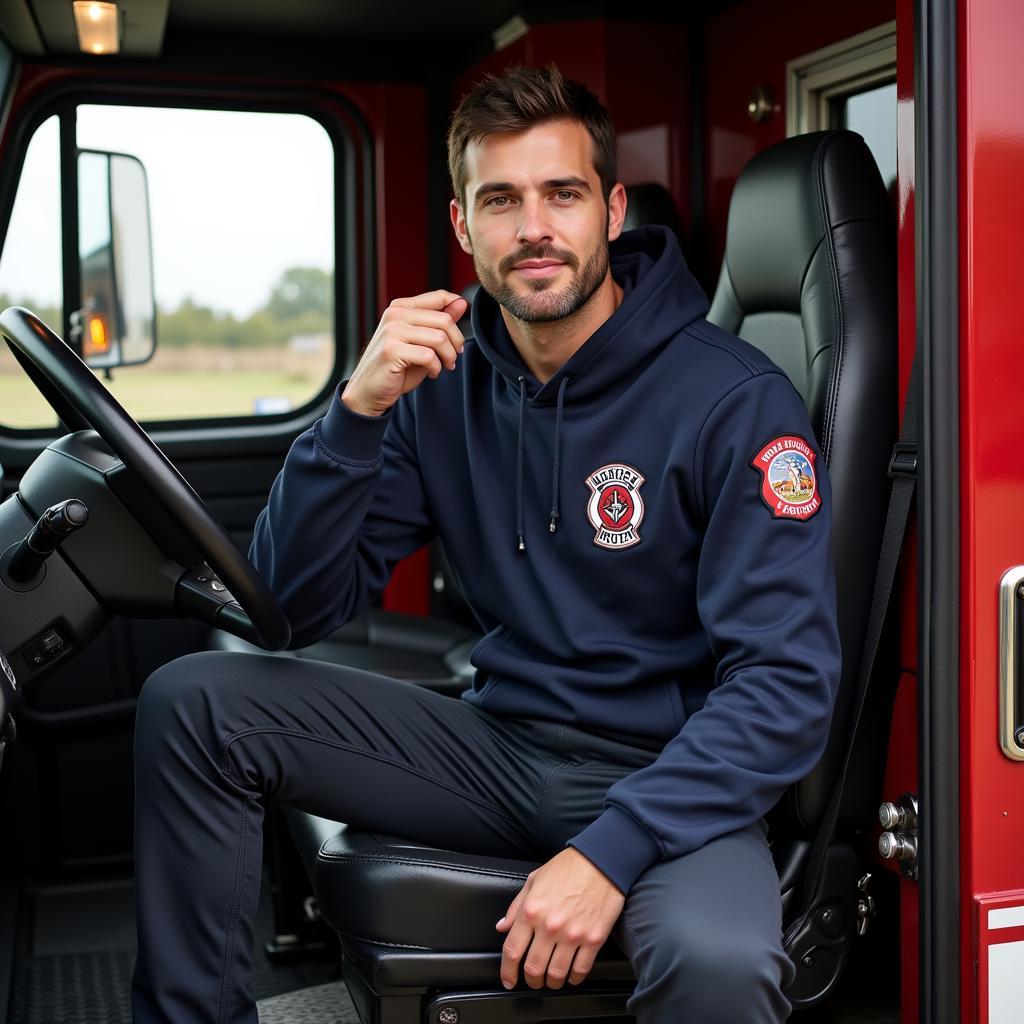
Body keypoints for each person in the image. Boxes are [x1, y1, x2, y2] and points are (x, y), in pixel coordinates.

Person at [131, 65, 840, 1024]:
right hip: (496, 748)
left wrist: (609, 853)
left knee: (718, 964)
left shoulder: (735, 400)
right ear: (464, 226)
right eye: (500, 200)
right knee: (195, 703)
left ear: (611, 211)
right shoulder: (439, 383)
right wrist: (353, 414)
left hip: (668, 770)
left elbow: (784, 683)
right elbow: (291, 607)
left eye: (563, 194)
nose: (533, 227)